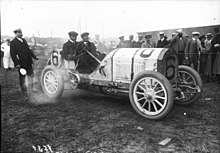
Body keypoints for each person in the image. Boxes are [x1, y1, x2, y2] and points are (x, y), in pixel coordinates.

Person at [10, 29, 38, 93]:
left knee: (31, 75)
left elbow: (28, 50)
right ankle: (24, 90)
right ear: (16, 34)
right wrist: (17, 63)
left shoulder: (24, 40)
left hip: (28, 61)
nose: (21, 34)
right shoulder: (13, 42)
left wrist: (34, 57)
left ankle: (31, 89)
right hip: (21, 63)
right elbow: (13, 54)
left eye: (21, 32)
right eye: (19, 33)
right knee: (22, 77)